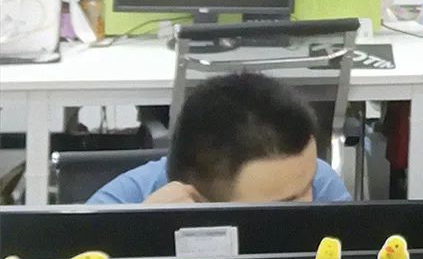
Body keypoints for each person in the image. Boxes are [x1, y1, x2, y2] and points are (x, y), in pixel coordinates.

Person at [87, 72, 352, 204]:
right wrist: (144, 237)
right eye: (286, 204)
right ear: (199, 205)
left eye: (308, 183)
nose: (311, 203)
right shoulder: (116, 210)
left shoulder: (319, 182)